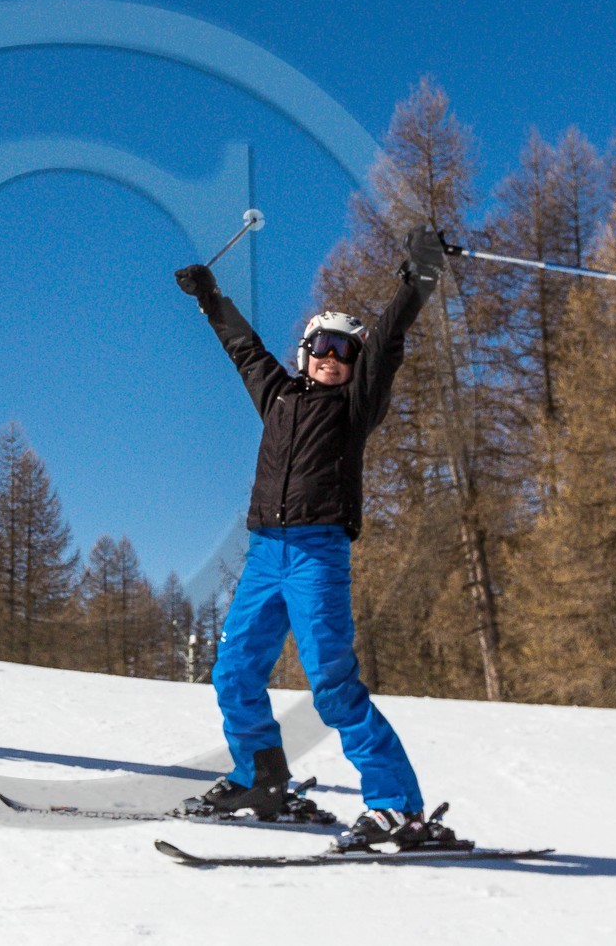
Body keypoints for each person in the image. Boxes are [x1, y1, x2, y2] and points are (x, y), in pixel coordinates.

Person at [173, 225, 448, 846]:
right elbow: (244, 349)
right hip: (265, 553)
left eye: (344, 351)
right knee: (234, 671)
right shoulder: (276, 397)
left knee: (331, 684)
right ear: (305, 352)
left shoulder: (355, 407)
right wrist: (209, 296)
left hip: (317, 554)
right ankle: (259, 777)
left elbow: (390, 336)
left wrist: (419, 274)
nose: (332, 356)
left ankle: (396, 805)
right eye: (321, 346)